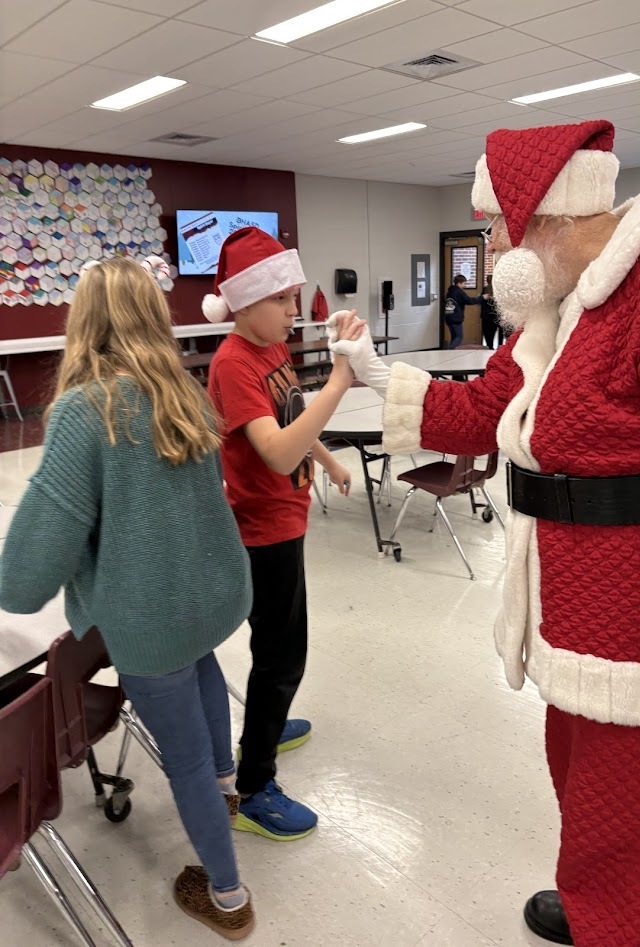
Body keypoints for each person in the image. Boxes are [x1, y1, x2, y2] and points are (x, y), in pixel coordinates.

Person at [328, 120, 640, 947]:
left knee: (639, 807)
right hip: (572, 620)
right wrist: (372, 374)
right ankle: (599, 895)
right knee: (585, 786)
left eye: (496, 224)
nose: (492, 244)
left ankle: (633, 920)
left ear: (548, 215)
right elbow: (477, 413)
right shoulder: (556, 308)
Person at [0, 256, 257, 940]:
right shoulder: (184, 391)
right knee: (203, 670)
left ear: (83, 320)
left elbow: (23, 578)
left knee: (187, 761)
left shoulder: (86, 413)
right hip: (210, 596)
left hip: (153, 616)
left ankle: (227, 895)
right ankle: (231, 788)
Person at [203, 227, 364, 842]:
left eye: (296, 299)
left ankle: (265, 728)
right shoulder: (234, 363)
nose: (295, 313)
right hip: (260, 531)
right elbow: (272, 451)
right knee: (281, 656)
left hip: (285, 521)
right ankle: (254, 786)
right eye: (283, 301)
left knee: (279, 650)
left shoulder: (271, 349)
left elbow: (292, 418)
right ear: (245, 302)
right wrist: (341, 384)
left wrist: (327, 460)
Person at [443, 274, 489, 349]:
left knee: (454, 337)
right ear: (459, 283)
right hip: (456, 318)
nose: (465, 285)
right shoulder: (459, 292)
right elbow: (469, 300)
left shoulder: (450, 292)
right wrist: (482, 297)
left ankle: (451, 352)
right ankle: (450, 352)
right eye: (464, 283)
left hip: (449, 317)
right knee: (459, 337)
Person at [479, 273, 504, 349]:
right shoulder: (499, 291)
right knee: (500, 331)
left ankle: (489, 346)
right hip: (496, 315)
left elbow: (481, 302)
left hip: (486, 316)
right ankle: (500, 346)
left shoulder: (484, 290)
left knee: (488, 333)